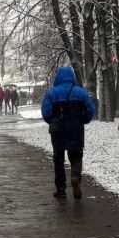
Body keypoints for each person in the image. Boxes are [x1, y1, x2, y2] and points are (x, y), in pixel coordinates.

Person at [41, 67, 96, 199]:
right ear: (72, 77)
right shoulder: (80, 92)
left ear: (58, 77)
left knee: (58, 160)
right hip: (75, 130)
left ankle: (61, 189)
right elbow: (91, 108)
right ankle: (75, 177)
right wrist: (83, 120)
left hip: (58, 131)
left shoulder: (52, 93)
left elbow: (45, 111)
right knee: (76, 157)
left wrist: (52, 120)